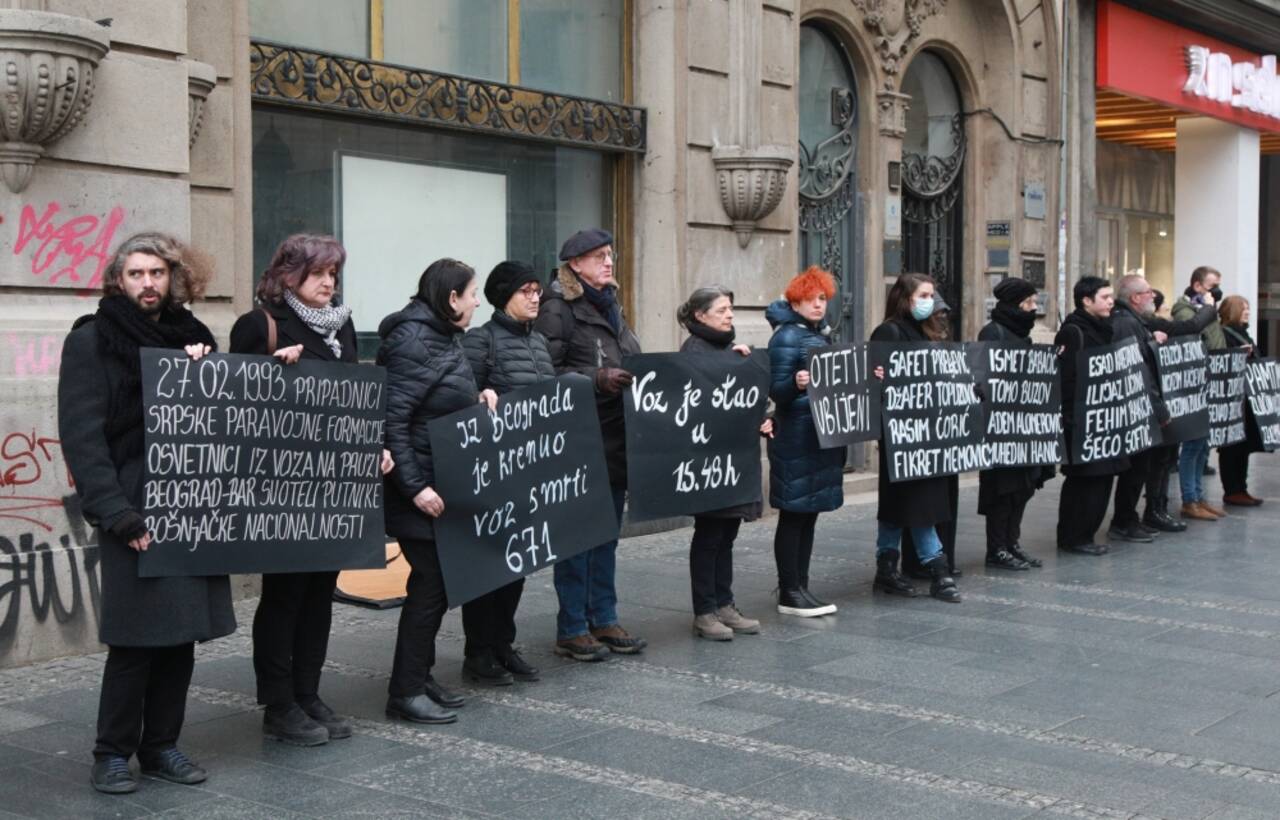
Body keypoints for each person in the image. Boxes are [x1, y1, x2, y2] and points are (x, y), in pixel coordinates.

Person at [58, 233, 235, 794]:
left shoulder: (193, 338)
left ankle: (161, 746)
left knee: (179, 637)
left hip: (189, 507)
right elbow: (82, 438)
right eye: (136, 274)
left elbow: (226, 414)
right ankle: (111, 752)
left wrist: (203, 370)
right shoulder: (92, 341)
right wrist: (117, 515)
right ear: (119, 280)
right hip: (132, 507)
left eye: (156, 273)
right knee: (135, 640)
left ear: (173, 278)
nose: (147, 283)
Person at [231, 234, 392, 746]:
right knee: (284, 596)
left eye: (334, 275)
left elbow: (354, 401)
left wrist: (374, 443)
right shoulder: (260, 325)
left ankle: (308, 692)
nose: (329, 283)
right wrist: (273, 371)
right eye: (320, 273)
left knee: (321, 592)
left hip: (334, 484)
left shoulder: (342, 328)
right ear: (289, 275)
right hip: (282, 487)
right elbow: (233, 402)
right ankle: (278, 704)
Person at [380, 259, 498, 724]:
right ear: (451, 299)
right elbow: (394, 422)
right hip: (421, 490)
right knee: (430, 587)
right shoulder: (413, 341)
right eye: (472, 293)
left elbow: (438, 401)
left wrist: (479, 398)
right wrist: (415, 489)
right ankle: (405, 691)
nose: (476, 302)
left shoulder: (442, 337)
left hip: (439, 483)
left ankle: (419, 677)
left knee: (435, 586)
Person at [535, 228, 647, 660]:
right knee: (577, 535)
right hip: (579, 438)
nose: (608, 262)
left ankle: (604, 616)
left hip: (617, 435)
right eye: (598, 256)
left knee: (606, 535)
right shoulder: (558, 308)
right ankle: (572, 627)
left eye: (610, 254)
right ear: (574, 265)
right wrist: (597, 380)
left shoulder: (612, 305)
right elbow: (547, 372)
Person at [458, 261, 554, 683]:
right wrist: (481, 398)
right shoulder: (481, 343)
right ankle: (478, 652)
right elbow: (463, 403)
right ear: (503, 296)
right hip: (494, 473)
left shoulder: (541, 344)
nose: (535, 297)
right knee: (488, 569)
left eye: (537, 290)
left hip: (531, 472)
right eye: (526, 291)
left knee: (518, 564)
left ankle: (502, 644)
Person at [678, 285, 772, 638]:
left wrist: (764, 411)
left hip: (733, 460)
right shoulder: (693, 350)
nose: (730, 315)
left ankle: (724, 604)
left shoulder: (728, 349)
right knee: (709, 536)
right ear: (700, 316)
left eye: (730, 309)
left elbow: (750, 398)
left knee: (727, 534)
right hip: (707, 463)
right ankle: (705, 611)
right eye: (722, 310)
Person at [868, 273, 958, 602]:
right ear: (905, 298)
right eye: (923, 295)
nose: (930, 301)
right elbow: (874, 383)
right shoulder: (889, 331)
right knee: (913, 504)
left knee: (906, 505)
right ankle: (937, 568)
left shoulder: (925, 331)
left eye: (932, 295)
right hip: (901, 438)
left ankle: (887, 568)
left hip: (927, 436)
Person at [1106, 274, 1216, 542]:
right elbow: (1138, 368)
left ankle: (1149, 512)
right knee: (1140, 467)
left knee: (1157, 463)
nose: (1153, 296)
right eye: (1147, 292)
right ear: (1134, 298)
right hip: (1144, 405)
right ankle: (1126, 519)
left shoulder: (1136, 322)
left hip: (1150, 403)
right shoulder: (1126, 322)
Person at [765, 266, 846, 616]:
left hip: (817, 436)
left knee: (808, 513)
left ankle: (800, 585)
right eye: (812, 299)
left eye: (823, 299)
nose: (819, 305)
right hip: (797, 437)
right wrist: (796, 384)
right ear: (795, 300)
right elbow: (776, 391)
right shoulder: (787, 337)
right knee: (795, 515)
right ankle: (789, 589)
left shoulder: (816, 335)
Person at [976, 277, 1047, 571]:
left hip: (1024, 426)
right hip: (1000, 428)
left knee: (1023, 488)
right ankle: (997, 548)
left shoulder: (1020, 332)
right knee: (1002, 492)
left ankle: (1012, 543)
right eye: (1028, 303)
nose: (1033, 309)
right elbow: (984, 377)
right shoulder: (993, 332)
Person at [1055, 276, 1126, 556]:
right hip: (1083, 420)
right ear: (1086, 300)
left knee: (1102, 479)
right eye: (1105, 297)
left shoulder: (1104, 328)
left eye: (1111, 296)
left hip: (1105, 418)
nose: (1111, 301)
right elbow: (1068, 379)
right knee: (1084, 480)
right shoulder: (1074, 331)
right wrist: (1072, 420)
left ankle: (1086, 533)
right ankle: (1074, 536)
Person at [901, 296, 960, 579]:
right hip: (922, 435)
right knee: (924, 504)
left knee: (945, 501)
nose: (943, 318)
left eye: (945, 313)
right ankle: (924, 561)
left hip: (944, 433)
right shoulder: (911, 340)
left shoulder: (945, 342)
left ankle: (943, 557)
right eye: (938, 313)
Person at [1171, 266, 1225, 521]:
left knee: (1203, 446)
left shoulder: (1207, 310)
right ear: (1197, 286)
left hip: (1210, 381)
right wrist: (1207, 309)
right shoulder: (1186, 309)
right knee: (1192, 446)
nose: (1215, 291)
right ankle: (1189, 499)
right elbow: (1191, 335)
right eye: (1211, 286)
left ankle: (1199, 496)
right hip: (1193, 385)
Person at [1217, 295, 1265, 507]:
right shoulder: (1225, 334)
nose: (1247, 312)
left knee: (1243, 446)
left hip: (1244, 399)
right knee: (1232, 447)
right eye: (1243, 308)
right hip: (1233, 400)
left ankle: (1241, 488)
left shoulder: (1242, 333)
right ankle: (1232, 489)